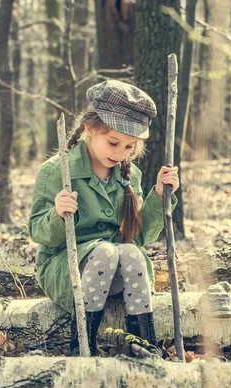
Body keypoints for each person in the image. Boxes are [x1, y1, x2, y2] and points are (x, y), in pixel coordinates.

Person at [28, 80, 179, 356]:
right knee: (106, 253)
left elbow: (138, 237)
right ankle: (82, 346)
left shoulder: (129, 175)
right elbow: (38, 231)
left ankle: (143, 344)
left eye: (129, 147)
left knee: (131, 253)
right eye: (113, 143)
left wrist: (159, 195)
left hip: (113, 270)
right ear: (89, 129)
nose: (120, 153)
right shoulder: (56, 171)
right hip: (65, 268)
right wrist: (58, 214)